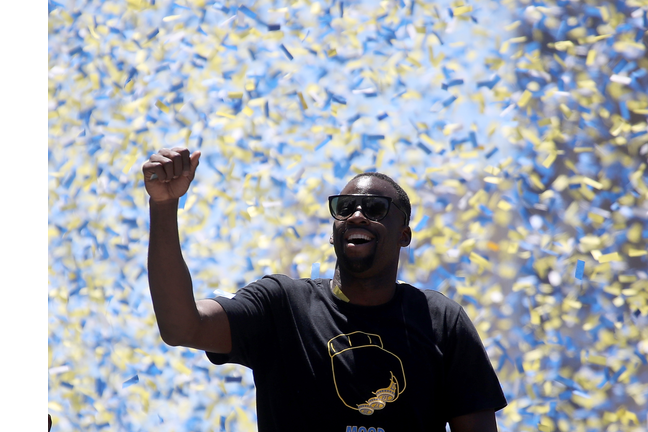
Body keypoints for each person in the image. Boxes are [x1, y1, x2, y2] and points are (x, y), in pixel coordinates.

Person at [142, 147, 507, 432]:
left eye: (376, 207)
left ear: (404, 235)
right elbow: (182, 327)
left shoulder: (441, 320)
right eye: (345, 207)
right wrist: (163, 205)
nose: (357, 215)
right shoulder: (281, 306)